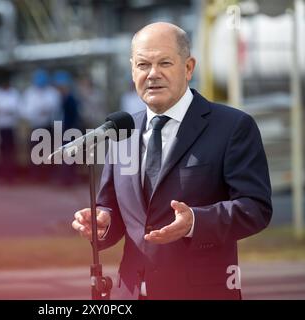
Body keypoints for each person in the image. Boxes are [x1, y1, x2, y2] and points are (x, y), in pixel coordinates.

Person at [71, 22, 272, 300]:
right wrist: (102, 221)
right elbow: (116, 209)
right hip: (128, 293)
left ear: (188, 67)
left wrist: (195, 222)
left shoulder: (232, 126)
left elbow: (256, 208)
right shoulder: (122, 132)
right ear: (132, 70)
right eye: (143, 65)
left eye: (164, 62)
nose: (153, 74)